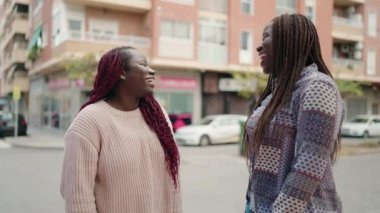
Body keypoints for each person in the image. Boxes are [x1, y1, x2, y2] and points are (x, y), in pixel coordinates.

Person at [60, 46, 181, 213]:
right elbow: (78, 198)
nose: (151, 71)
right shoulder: (89, 121)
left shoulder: (158, 116)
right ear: (122, 73)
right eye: (143, 65)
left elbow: (172, 185)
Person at [244, 14, 344, 212]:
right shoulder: (274, 94)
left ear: (290, 40)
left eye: (266, 37)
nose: (258, 47)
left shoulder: (317, 86)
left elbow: (309, 164)